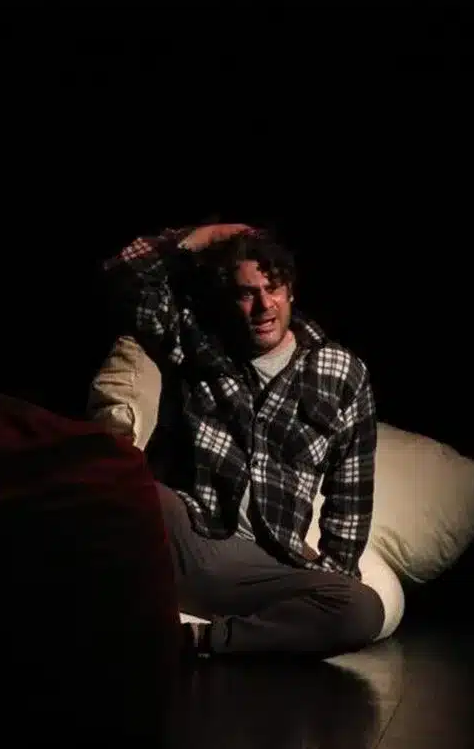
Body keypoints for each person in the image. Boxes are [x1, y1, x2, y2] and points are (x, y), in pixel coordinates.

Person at [101, 222, 384, 658]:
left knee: (361, 608)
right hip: (190, 532)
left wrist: (329, 579)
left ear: (291, 291)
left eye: (273, 289)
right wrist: (208, 235)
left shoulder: (341, 372)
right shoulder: (198, 339)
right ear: (227, 297)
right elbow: (125, 274)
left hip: (263, 564)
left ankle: (198, 641)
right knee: (120, 482)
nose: (263, 306)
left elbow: (351, 496)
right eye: (247, 293)